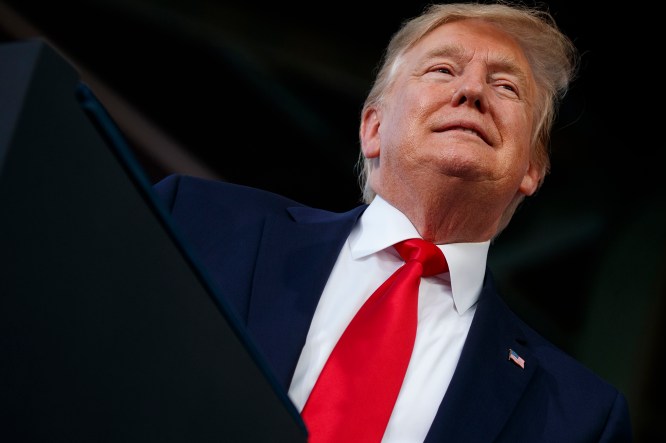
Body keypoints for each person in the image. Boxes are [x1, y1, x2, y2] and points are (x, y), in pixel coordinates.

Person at [153, 1, 633, 441]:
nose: (472, 90)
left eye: (506, 86)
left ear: (531, 168)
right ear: (374, 127)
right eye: (443, 69)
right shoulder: (196, 221)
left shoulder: (582, 417)